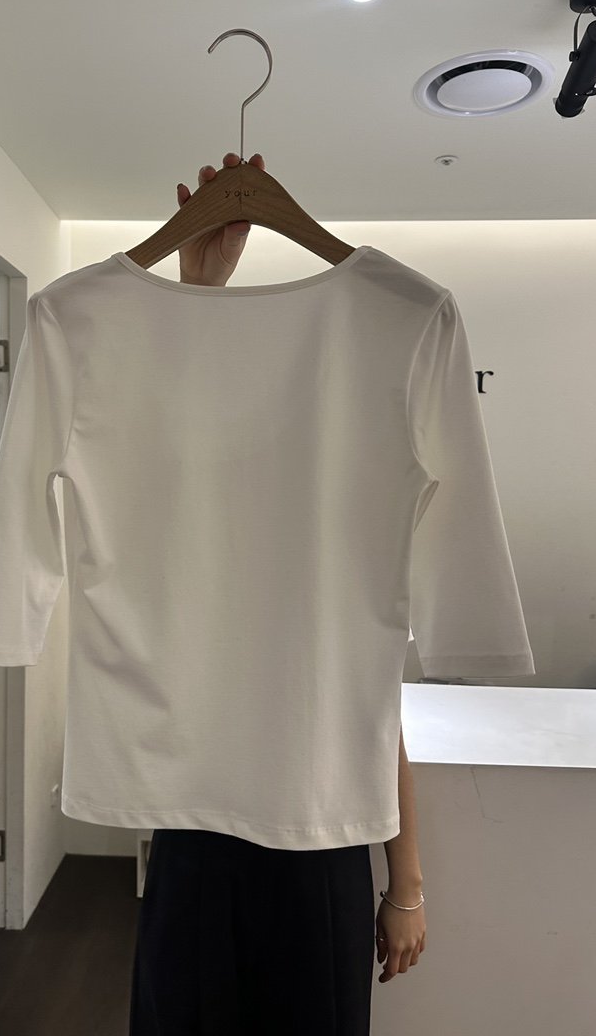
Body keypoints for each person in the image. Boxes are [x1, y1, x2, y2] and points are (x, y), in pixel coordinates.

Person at [128, 154, 427, 1034]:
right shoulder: (185, 528)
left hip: (320, 843)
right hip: (192, 836)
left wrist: (405, 885)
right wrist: (198, 293)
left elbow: (376, 716)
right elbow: (172, 440)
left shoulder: (336, 539)